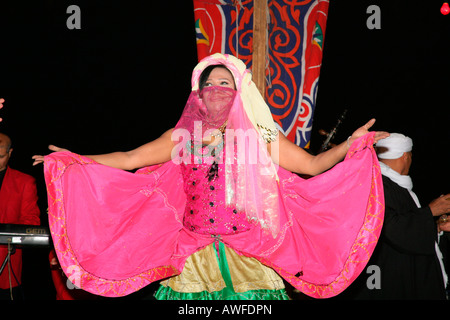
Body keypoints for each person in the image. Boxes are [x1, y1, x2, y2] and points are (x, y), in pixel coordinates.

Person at [33, 53, 389, 300]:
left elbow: (311, 166)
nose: (217, 88)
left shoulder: (261, 136)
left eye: (225, 82)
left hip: (251, 254)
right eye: (210, 83)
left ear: (239, 93)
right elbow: (131, 157)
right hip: (193, 257)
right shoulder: (181, 137)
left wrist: (349, 145)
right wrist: (75, 159)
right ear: (198, 92)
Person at [337, 133, 450, 300]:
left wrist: (437, 226)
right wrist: (430, 212)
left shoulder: (395, 186)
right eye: (411, 156)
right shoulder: (378, 184)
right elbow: (390, 228)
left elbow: (408, 224)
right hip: (384, 278)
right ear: (405, 156)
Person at [0, 131, 41, 300]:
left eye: (0, 156)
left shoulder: (24, 182)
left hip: (5, 267)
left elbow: (32, 222)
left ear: (10, 153)